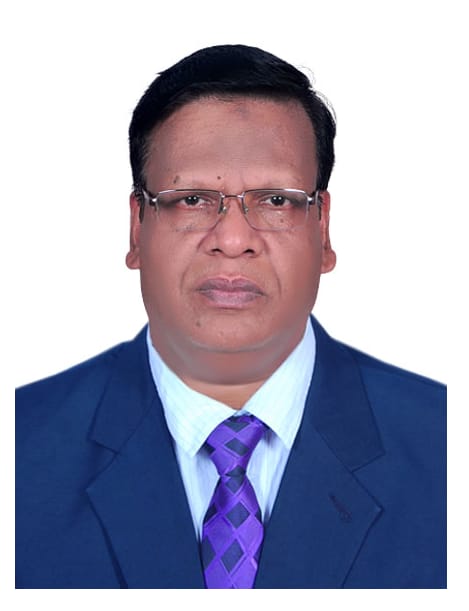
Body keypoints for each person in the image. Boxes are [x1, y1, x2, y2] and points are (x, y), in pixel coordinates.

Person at [15, 44, 446, 589]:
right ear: (137, 228)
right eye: (192, 200)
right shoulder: (19, 448)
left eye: (275, 200)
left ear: (323, 229)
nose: (234, 239)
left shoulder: (447, 446)